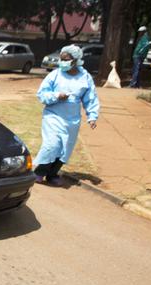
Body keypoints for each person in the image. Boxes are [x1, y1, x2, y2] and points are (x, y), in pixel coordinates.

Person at [33, 45, 100, 186]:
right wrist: (57, 95)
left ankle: (52, 175)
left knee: (65, 148)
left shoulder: (85, 77)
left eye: (66, 59)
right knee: (52, 145)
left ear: (76, 60)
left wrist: (92, 116)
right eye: (61, 59)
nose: (62, 62)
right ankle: (39, 172)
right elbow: (42, 95)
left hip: (72, 119)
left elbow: (91, 97)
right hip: (53, 115)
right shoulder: (55, 75)